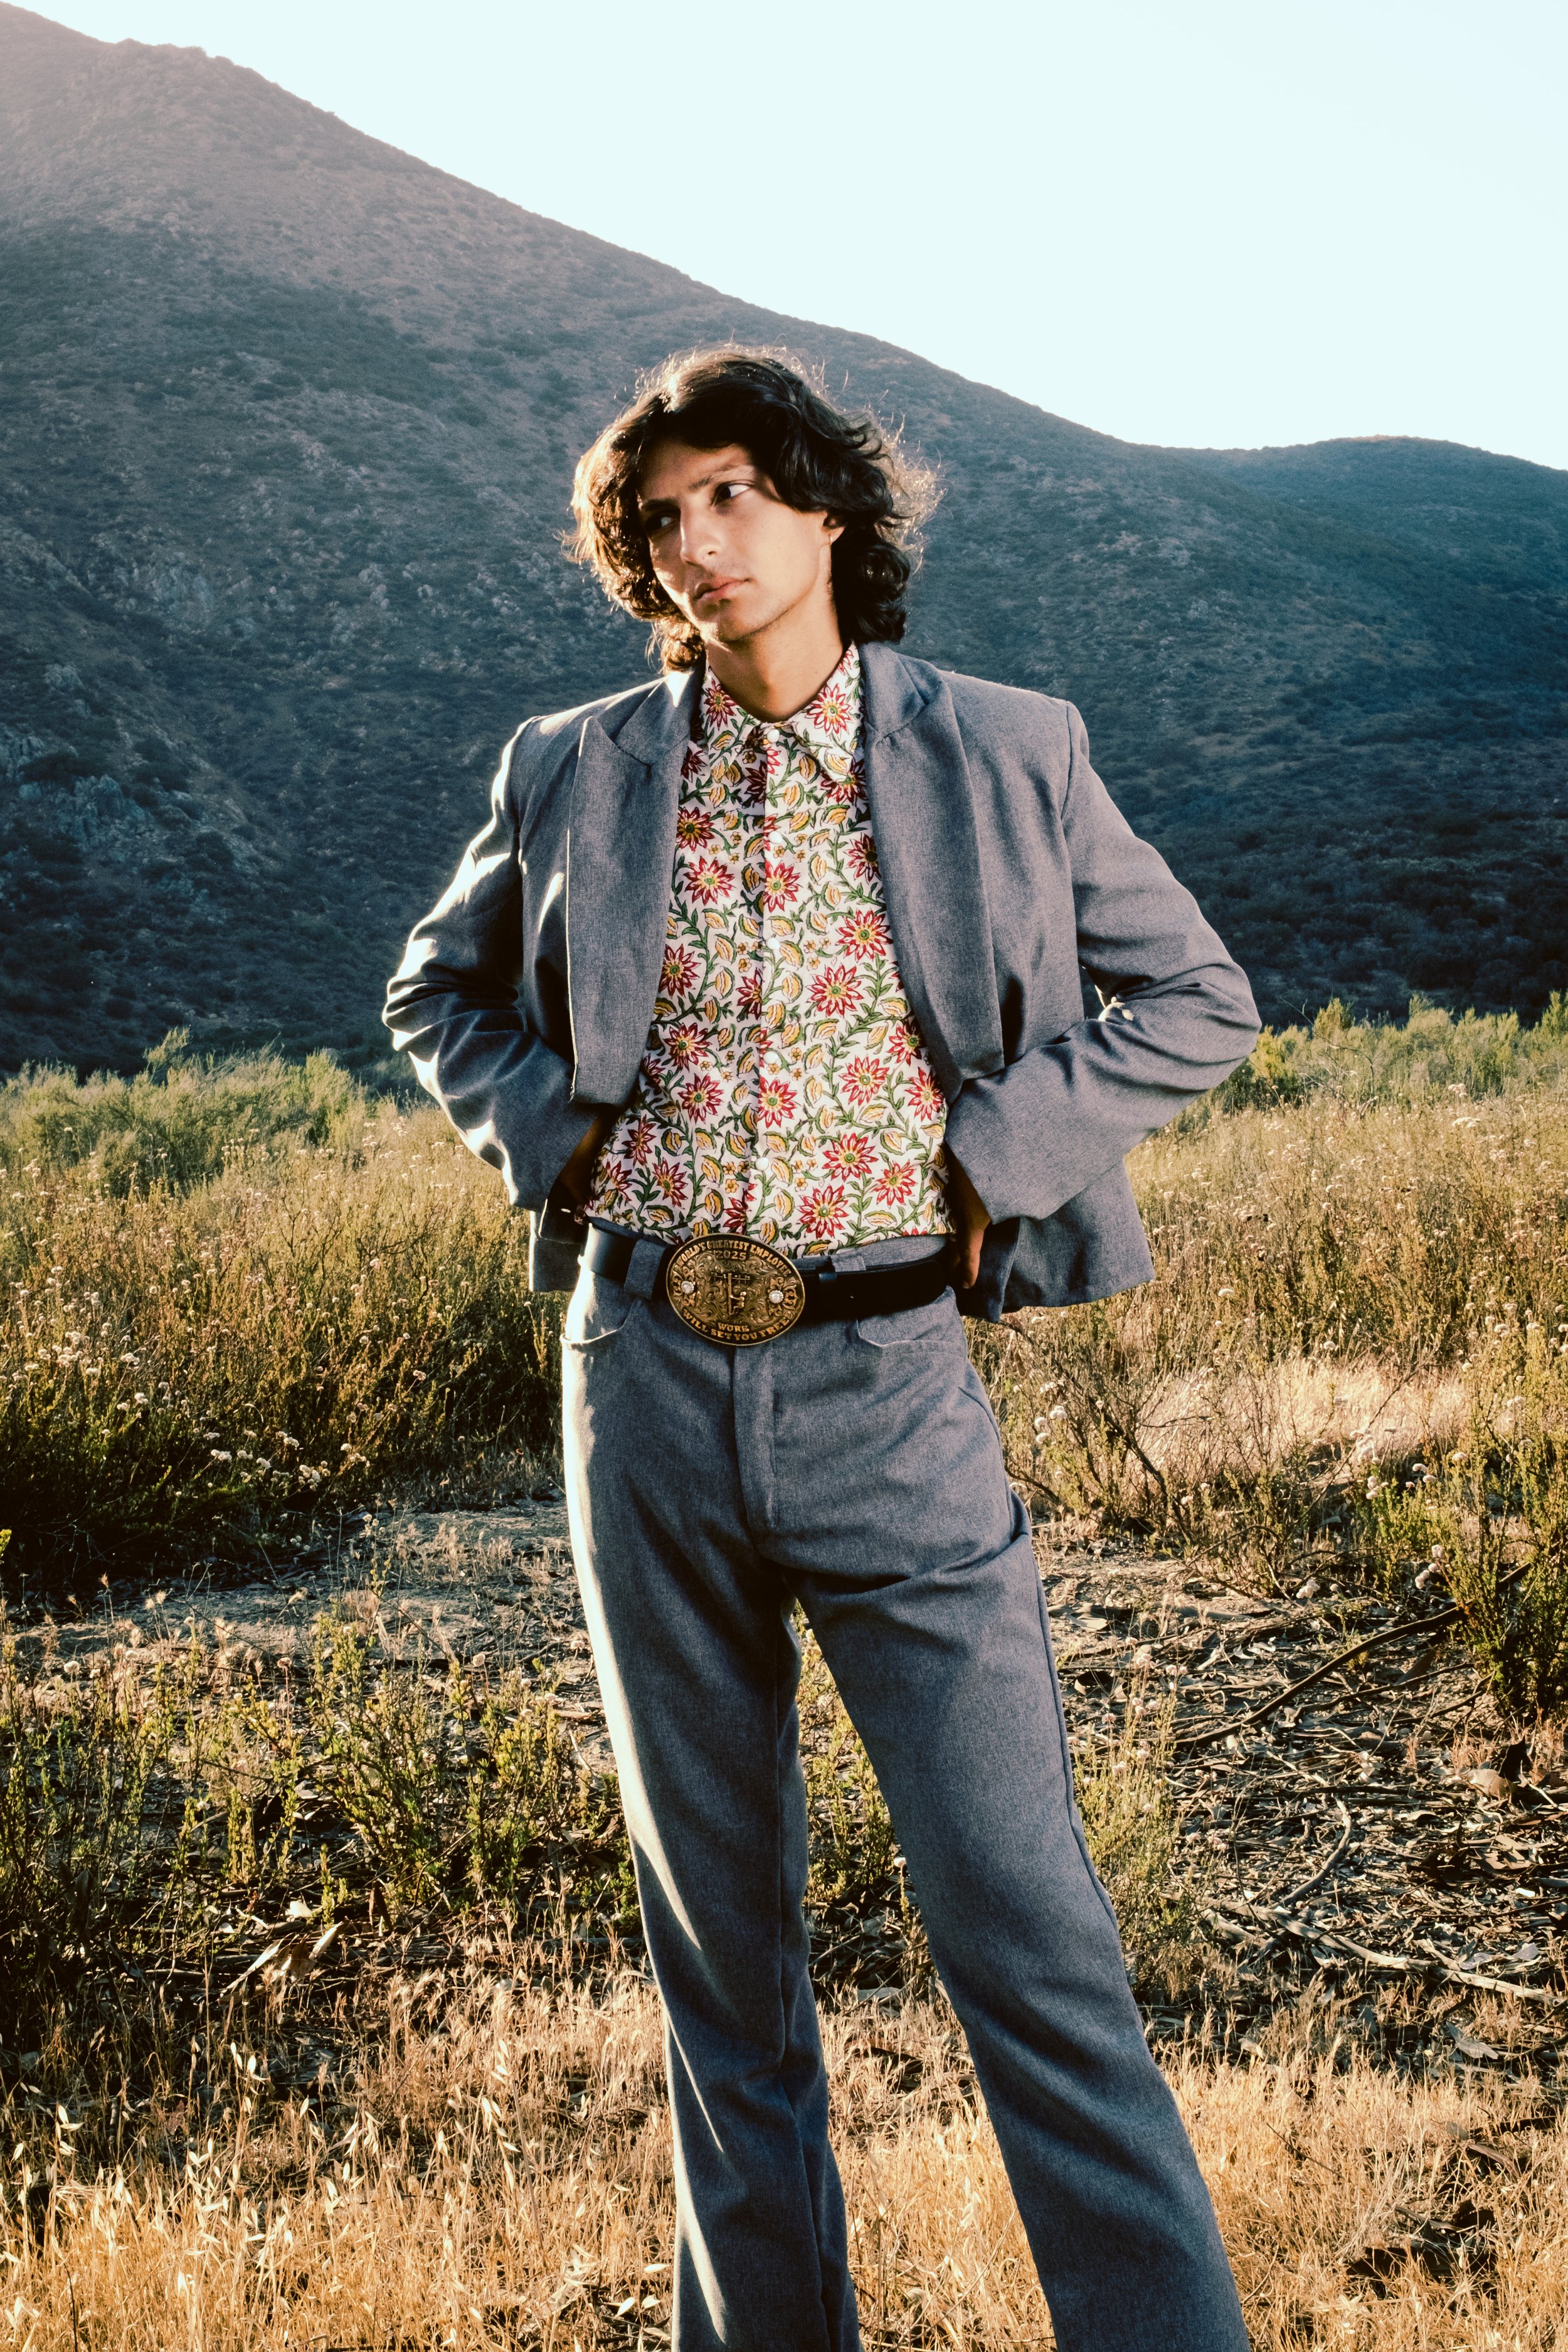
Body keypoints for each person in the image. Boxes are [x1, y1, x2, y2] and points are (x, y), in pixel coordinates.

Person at [384, 347, 1258, 2352]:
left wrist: (986, 1150)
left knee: (1025, 1930)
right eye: (659, 518)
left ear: (829, 513)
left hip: (891, 1382)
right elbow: (434, 990)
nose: (695, 544)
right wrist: (571, 1139)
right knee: (720, 1950)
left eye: (728, 500)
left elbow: (1194, 994)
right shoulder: (575, 761)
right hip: (645, 1382)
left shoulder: (1009, 748)